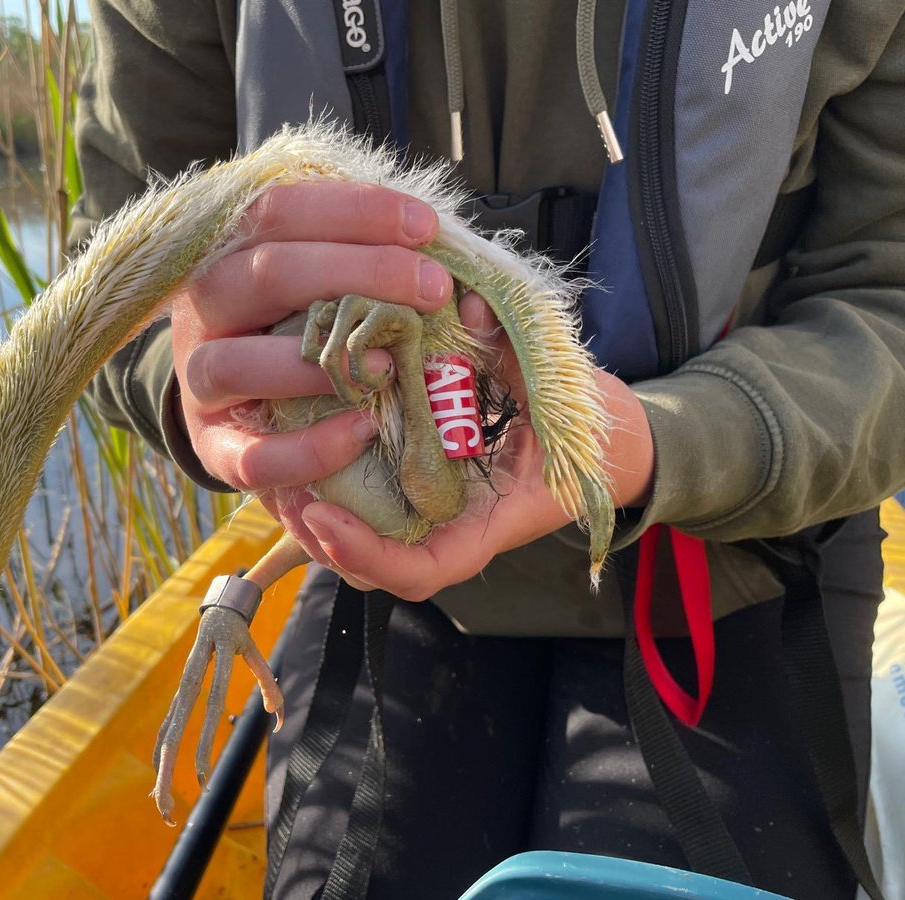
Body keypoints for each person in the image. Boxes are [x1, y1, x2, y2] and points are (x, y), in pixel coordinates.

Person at [70, 2, 905, 897]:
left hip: (730, 566)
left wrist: (649, 442)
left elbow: (883, 297)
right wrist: (201, 382)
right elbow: (113, 285)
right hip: (378, 575)